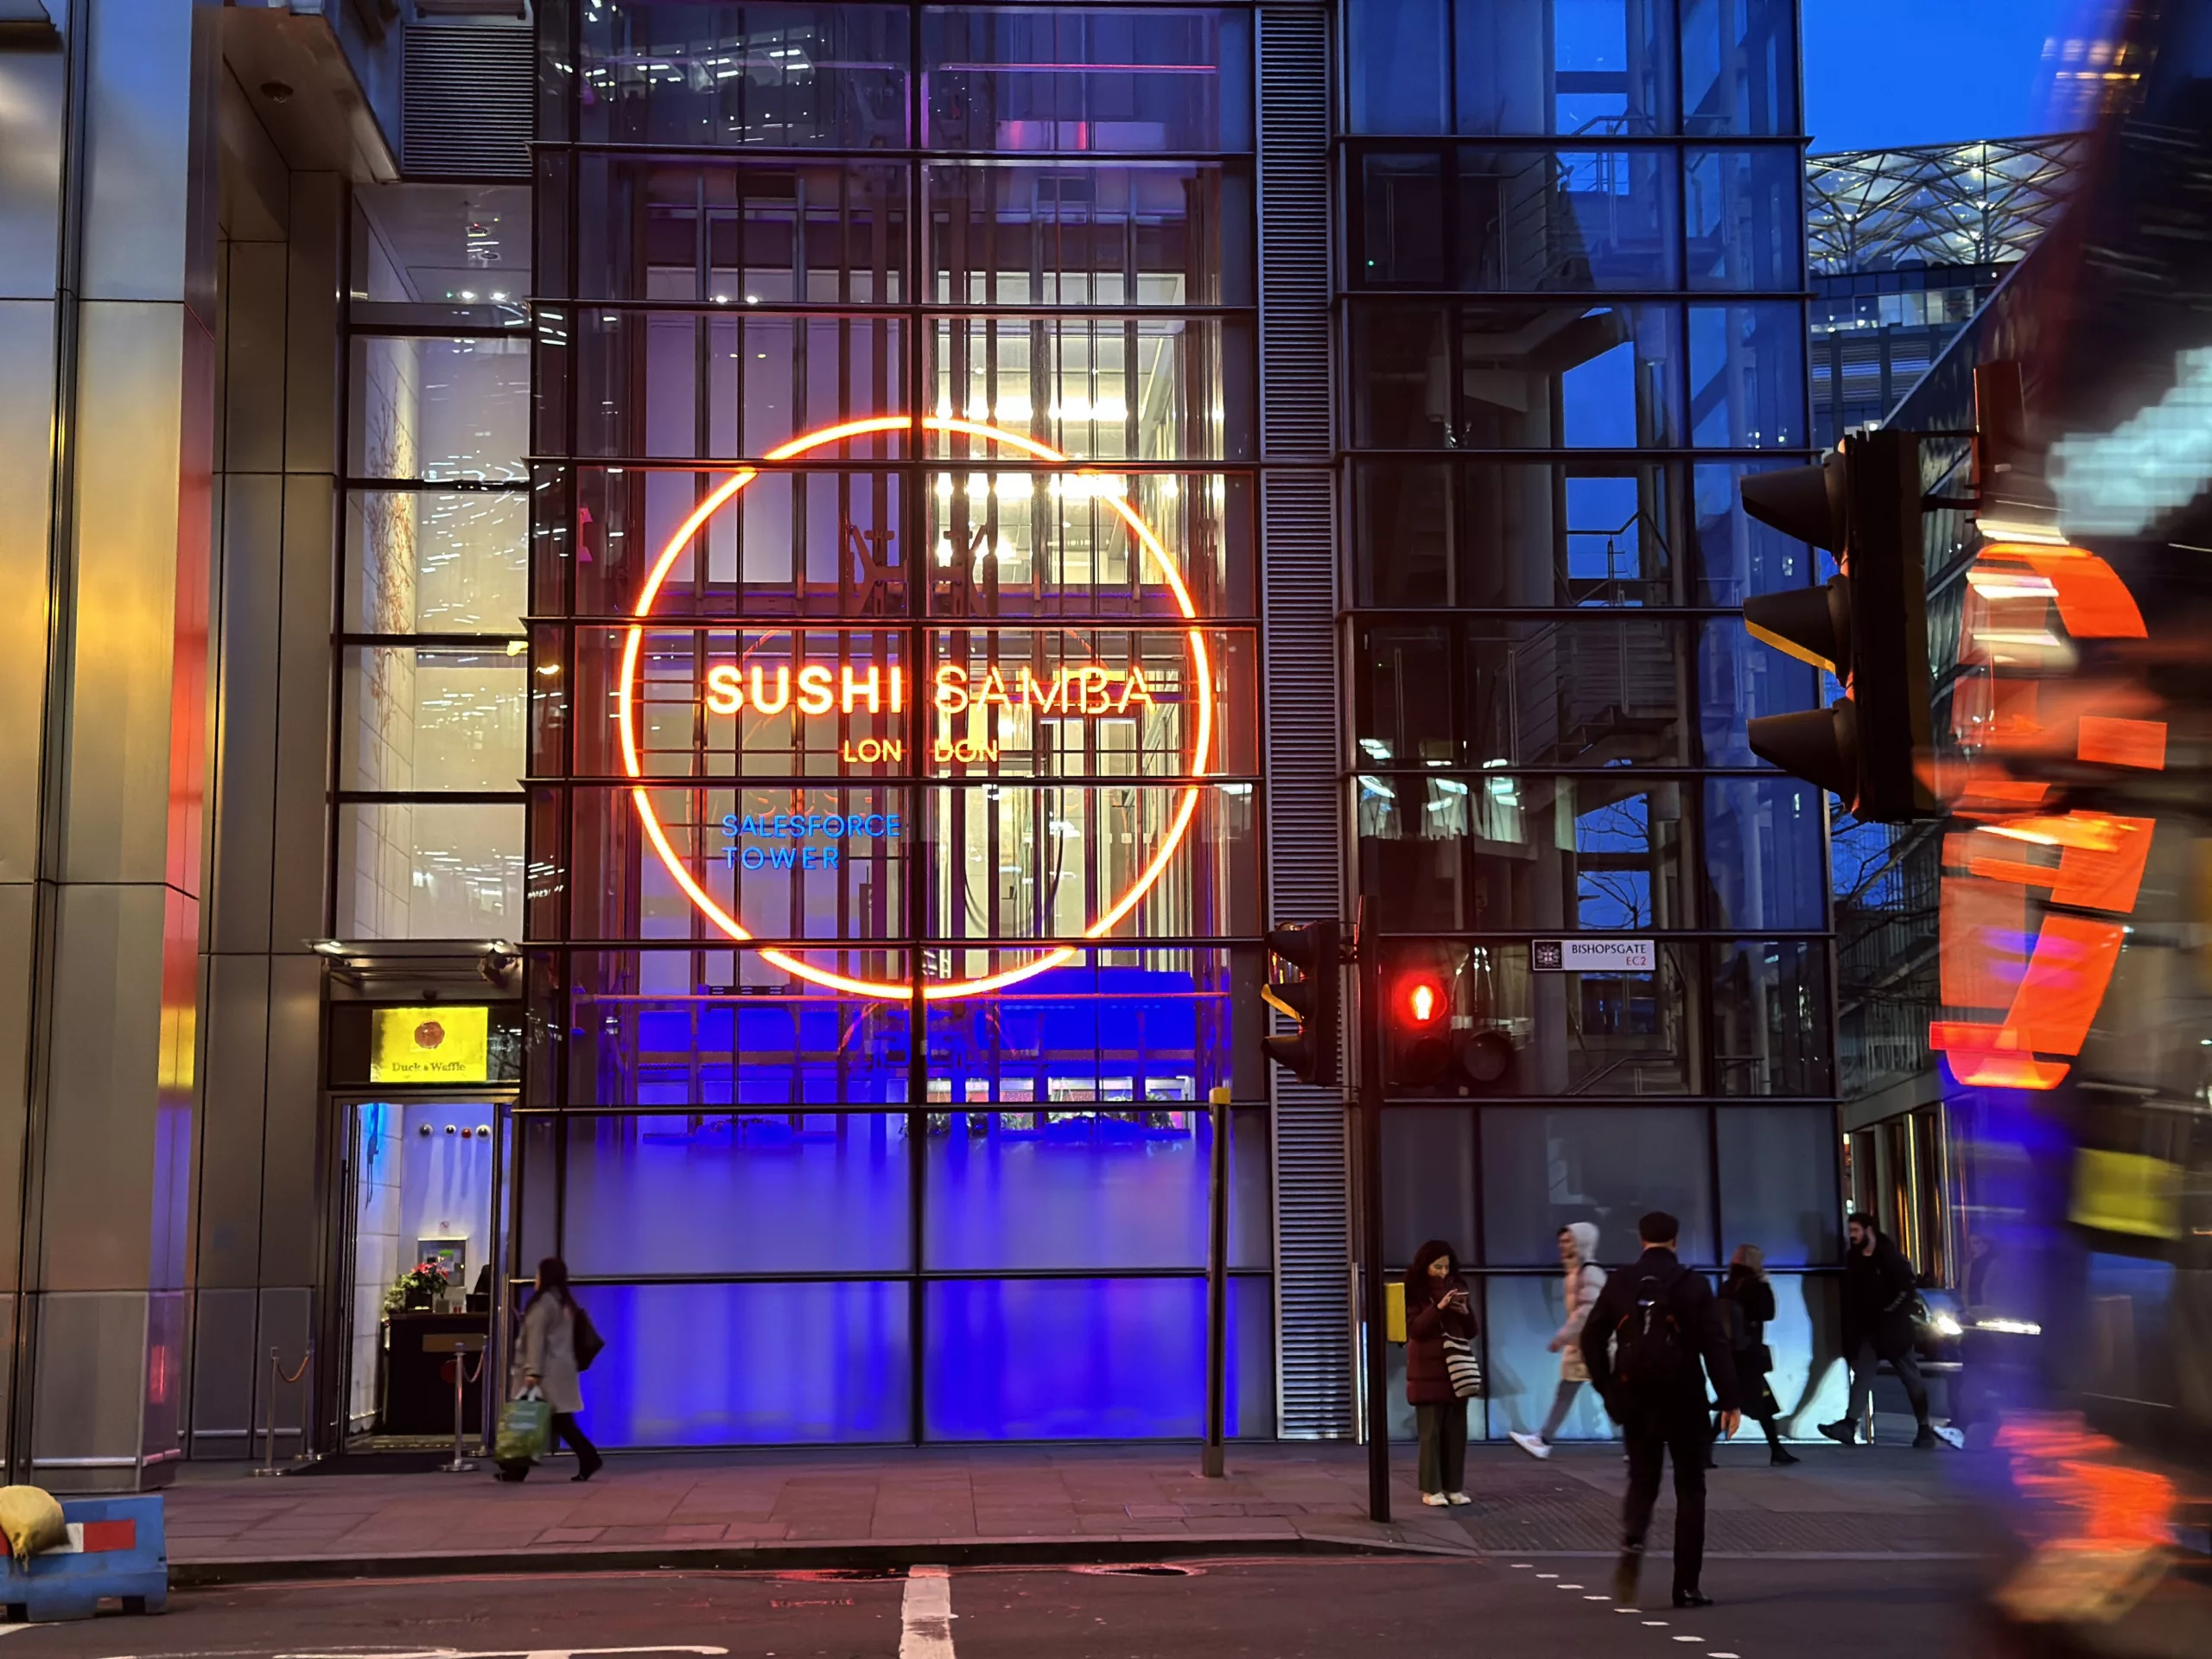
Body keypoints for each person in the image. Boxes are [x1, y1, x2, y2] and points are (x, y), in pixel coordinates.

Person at [1580, 1211, 1740, 1609]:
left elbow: (1591, 1337)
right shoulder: (1693, 1284)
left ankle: (1634, 1538)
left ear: (1641, 1238)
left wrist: (1609, 1388)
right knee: (1690, 1487)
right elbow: (1714, 1345)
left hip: (1637, 1397)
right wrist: (1730, 1400)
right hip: (1684, 1396)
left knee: (1643, 1478)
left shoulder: (1620, 1281)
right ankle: (1686, 1586)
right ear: (1675, 1240)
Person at [1821, 1213, 1934, 1449]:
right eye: (1850, 1230)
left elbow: (1905, 1291)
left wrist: (1888, 1313)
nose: (1852, 1235)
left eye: (1855, 1230)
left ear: (1869, 1230)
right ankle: (1849, 1425)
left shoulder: (1890, 1258)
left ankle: (1924, 1428)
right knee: (1863, 1375)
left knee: (1910, 1378)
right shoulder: (1853, 1259)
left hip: (1894, 1331)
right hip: (1868, 1331)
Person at [499, 1255, 603, 1483]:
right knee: (557, 1422)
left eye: (537, 1274)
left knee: (529, 1421)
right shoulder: (565, 1304)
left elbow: (536, 1342)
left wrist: (532, 1373)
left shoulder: (543, 1304)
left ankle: (517, 1468)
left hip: (545, 1374)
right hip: (561, 1372)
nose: (534, 1279)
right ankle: (516, 1469)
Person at [1510, 1222, 1606, 1459]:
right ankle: (1543, 1439)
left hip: (1594, 1347)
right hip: (1583, 1346)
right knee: (1570, 1391)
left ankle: (1643, 1442)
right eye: (1561, 1242)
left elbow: (1587, 1311)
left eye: (1568, 1241)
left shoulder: (1589, 1272)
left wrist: (1563, 1337)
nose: (1563, 1246)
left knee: (1615, 1396)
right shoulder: (1577, 1272)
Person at [1403, 1239, 1475, 1508]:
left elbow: (1471, 1331)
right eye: (1437, 1267)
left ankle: (1454, 1487)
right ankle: (1431, 1488)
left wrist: (1465, 1312)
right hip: (1427, 1369)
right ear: (1425, 1266)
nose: (1443, 1272)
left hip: (1456, 1368)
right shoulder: (1414, 1291)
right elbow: (1417, 1329)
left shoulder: (1458, 1287)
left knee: (1456, 1431)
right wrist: (1439, 1307)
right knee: (1431, 1432)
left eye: (1447, 1267)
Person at [1716, 1244, 1797, 1465]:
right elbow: (1768, 1312)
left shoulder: (1727, 1286)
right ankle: (1777, 1451)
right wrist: (1765, 1285)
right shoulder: (1753, 1285)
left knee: (1735, 1401)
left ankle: (1777, 1450)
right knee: (1752, 1402)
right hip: (1749, 1353)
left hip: (1731, 1352)